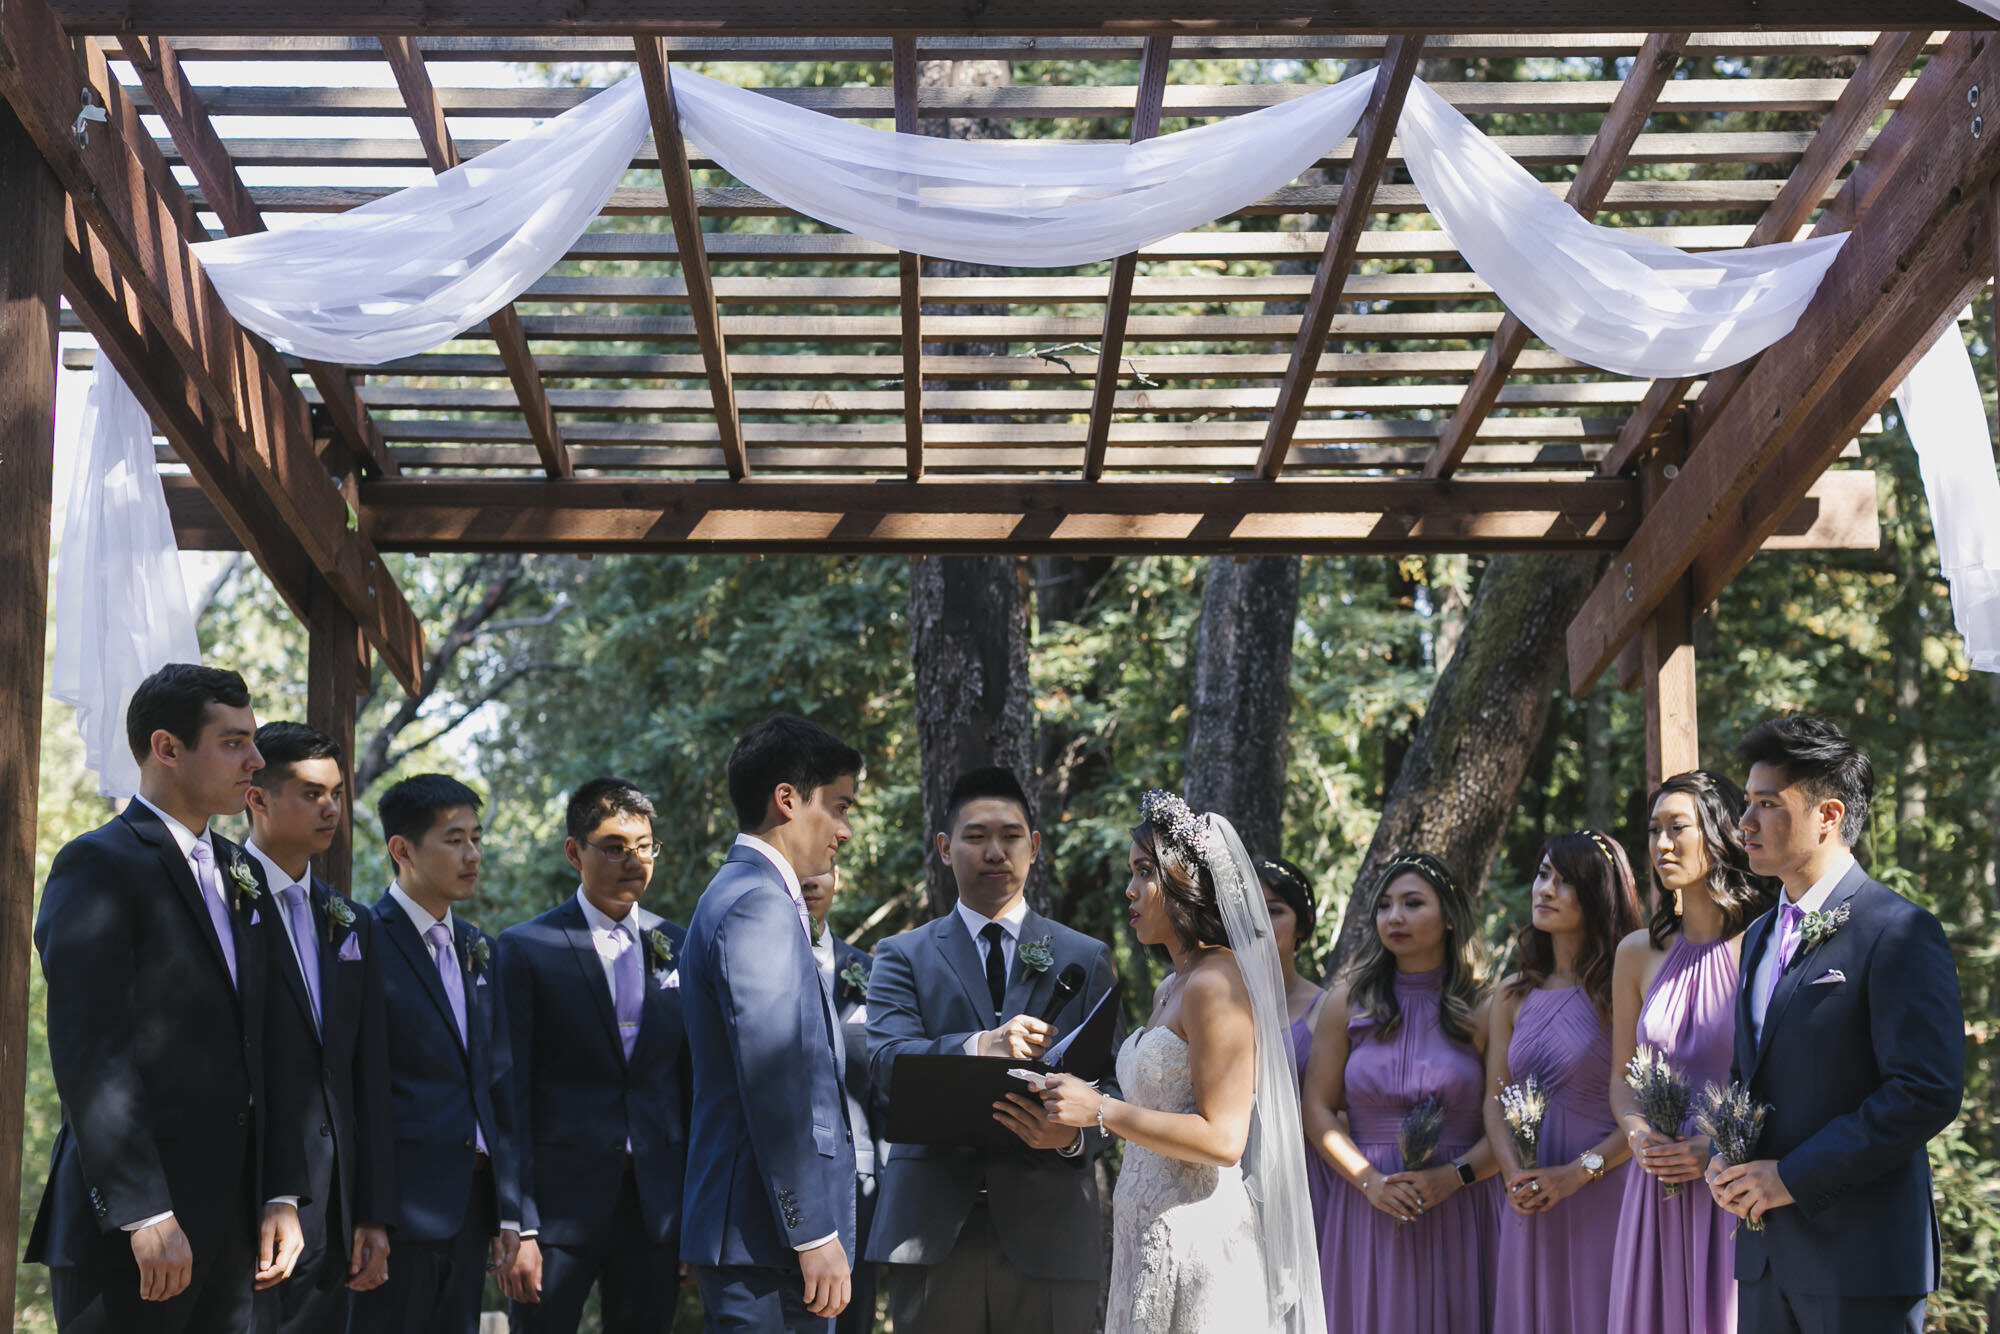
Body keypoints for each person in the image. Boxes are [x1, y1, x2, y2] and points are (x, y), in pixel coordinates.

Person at [28, 663, 304, 1333]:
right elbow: (91, 1054)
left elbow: (274, 1039)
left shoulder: (244, 873)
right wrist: (144, 1212)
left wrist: (281, 1192)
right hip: (132, 1236)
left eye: (254, 740)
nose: (257, 760)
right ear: (167, 748)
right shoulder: (97, 865)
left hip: (237, 1234)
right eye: (234, 742)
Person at [1034, 790, 1324, 1334]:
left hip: (1200, 1245)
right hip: (1144, 1235)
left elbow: (1223, 1139)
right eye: (1131, 872)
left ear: (1185, 880)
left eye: (1145, 871)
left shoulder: (1217, 983)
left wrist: (1100, 1110)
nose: (1129, 888)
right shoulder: (1172, 984)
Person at [1708, 716, 1964, 1334]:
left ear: (1827, 814)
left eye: (1767, 805)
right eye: (1747, 803)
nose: (1744, 824)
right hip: (1765, 1260)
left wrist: (1791, 1178)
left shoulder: (1899, 930)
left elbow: (1925, 1092)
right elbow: (1749, 1074)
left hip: (1862, 1260)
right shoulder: (1760, 934)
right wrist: (1725, 1152)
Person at [863, 766, 1120, 1334]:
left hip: (1051, 1232)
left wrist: (1074, 1132)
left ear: (1034, 847)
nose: (994, 852)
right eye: (976, 836)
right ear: (944, 847)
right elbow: (884, 1066)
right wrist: (980, 1045)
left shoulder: (1085, 955)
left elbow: (1119, 1088)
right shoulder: (901, 955)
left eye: (1010, 836)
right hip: (929, 1230)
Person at [680, 714, 859, 1332]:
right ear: (786, 799)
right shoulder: (757, 903)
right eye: (837, 807)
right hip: (766, 1240)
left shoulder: (745, 893)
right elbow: (773, 1077)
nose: (845, 829)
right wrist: (811, 1230)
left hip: (762, 1237)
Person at [496, 777, 691, 1333]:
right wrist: (519, 1221)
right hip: (557, 1210)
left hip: (656, 1208)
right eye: (614, 847)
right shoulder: (526, 947)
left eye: (645, 845)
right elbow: (511, 1090)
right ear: (573, 852)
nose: (634, 860)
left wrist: (690, 1219)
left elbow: (690, 1084)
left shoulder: (679, 945)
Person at [1302, 850, 1501, 1333]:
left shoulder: (1486, 1007)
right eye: (1386, 905)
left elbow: (1507, 1122)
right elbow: (1316, 1107)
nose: (1395, 917)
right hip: (1367, 1203)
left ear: (1450, 917)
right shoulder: (1347, 1001)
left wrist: (1453, 1178)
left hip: (1459, 1204)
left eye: (1413, 903)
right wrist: (1367, 1179)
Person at [352, 775, 522, 1334]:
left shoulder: (479, 947)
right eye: (454, 840)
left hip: (470, 1210)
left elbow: (495, 1084)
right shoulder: (363, 941)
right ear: (402, 850)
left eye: (476, 838)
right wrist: (368, 1214)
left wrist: (506, 1208)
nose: (472, 855)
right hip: (400, 1213)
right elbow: (361, 1086)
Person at [1607, 771, 1775, 1334]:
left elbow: (1783, 1079)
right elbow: (1621, 1078)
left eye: (1678, 827)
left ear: (1721, 834)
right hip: (1654, 1188)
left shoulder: (1766, 945)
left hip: (1735, 1184)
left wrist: (1715, 1149)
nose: (1660, 844)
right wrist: (1638, 1138)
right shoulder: (1637, 954)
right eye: (1653, 830)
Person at [244, 722, 396, 1334]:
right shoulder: (219, 898)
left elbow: (369, 1072)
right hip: (246, 1199)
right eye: (311, 793)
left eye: (336, 792)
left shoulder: (351, 920)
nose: (331, 807)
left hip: (334, 1214)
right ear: (256, 797)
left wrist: (373, 1212)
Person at [1487, 829, 1643, 1334]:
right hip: (1529, 1200)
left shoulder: (1621, 992)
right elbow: (1495, 1100)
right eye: (1542, 874)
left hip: (1606, 1188)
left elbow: (1644, 1112)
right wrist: (1515, 1177)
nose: (1544, 890)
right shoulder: (1512, 995)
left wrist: (1580, 1172)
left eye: (1565, 880)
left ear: (1599, 895)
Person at [798, 866, 886, 1334]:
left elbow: (887, 1091)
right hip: (782, 1183)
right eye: (800, 870)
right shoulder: (761, 960)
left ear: (838, 877)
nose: (811, 882)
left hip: (861, 1188)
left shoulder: (871, 972)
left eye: (821, 872)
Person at [1258, 855, 1336, 1232]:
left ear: (1303, 925)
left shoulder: (1326, 1010)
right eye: (1247, 909)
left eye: (1273, 911)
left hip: (1302, 1184)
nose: (1257, 923)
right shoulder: (1207, 999)